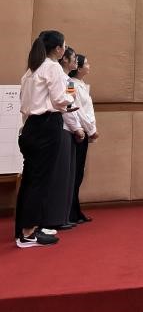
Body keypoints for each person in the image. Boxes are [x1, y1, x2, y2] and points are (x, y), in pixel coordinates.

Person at [15, 30, 75, 248]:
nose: (64, 49)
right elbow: (59, 99)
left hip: (30, 126)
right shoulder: (53, 67)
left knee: (30, 179)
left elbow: (25, 101)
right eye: (64, 46)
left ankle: (25, 228)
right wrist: (70, 99)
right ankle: (29, 233)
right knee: (40, 180)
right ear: (58, 49)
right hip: (47, 126)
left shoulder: (31, 69)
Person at [43, 47, 84, 230]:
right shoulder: (61, 77)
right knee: (60, 176)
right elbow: (66, 108)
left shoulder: (69, 81)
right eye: (74, 57)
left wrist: (77, 128)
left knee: (68, 176)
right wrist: (77, 128)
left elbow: (72, 106)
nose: (76, 61)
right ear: (65, 59)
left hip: (69, 130)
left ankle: (63, 216)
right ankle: (54, 218)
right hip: (62, 129)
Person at [69, 54, 99, 223]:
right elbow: (76, 110)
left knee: (79, 173)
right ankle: (71, 212)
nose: (89, 65)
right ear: (78, 68)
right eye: (86, 63)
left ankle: (75, 210)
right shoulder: (70, 84)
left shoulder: (81, 85)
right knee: (75, 173)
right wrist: (91, 129)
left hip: (84, 131)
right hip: (78, 132)